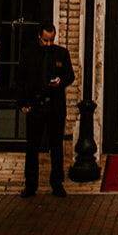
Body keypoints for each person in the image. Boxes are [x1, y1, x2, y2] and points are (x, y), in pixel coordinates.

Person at [17, 21, 74, 198]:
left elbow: (70, 75)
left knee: (56, 147)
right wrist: (22, 104)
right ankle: (30, 184)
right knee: (32, 146)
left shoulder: (61, 53)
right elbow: (21, 80)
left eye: (51, 40)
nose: (48, 44)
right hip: (36, 105)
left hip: (55, 106)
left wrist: (60, 82)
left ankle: (57, 183)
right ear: (39, 37)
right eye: (45, 40)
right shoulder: (29, 54)